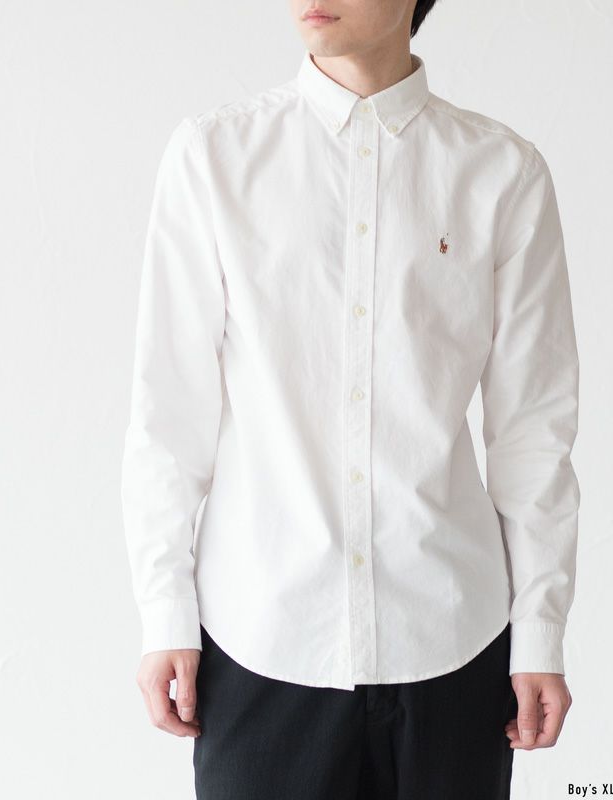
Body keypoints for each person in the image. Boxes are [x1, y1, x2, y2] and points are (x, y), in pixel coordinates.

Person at [121, 1, 580, 797]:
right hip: (261, 646)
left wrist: (540, 629)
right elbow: (168, 415)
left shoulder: (502, 173)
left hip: (454, 646)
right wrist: (165, 613)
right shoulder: (215, 157)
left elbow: (532, 429)